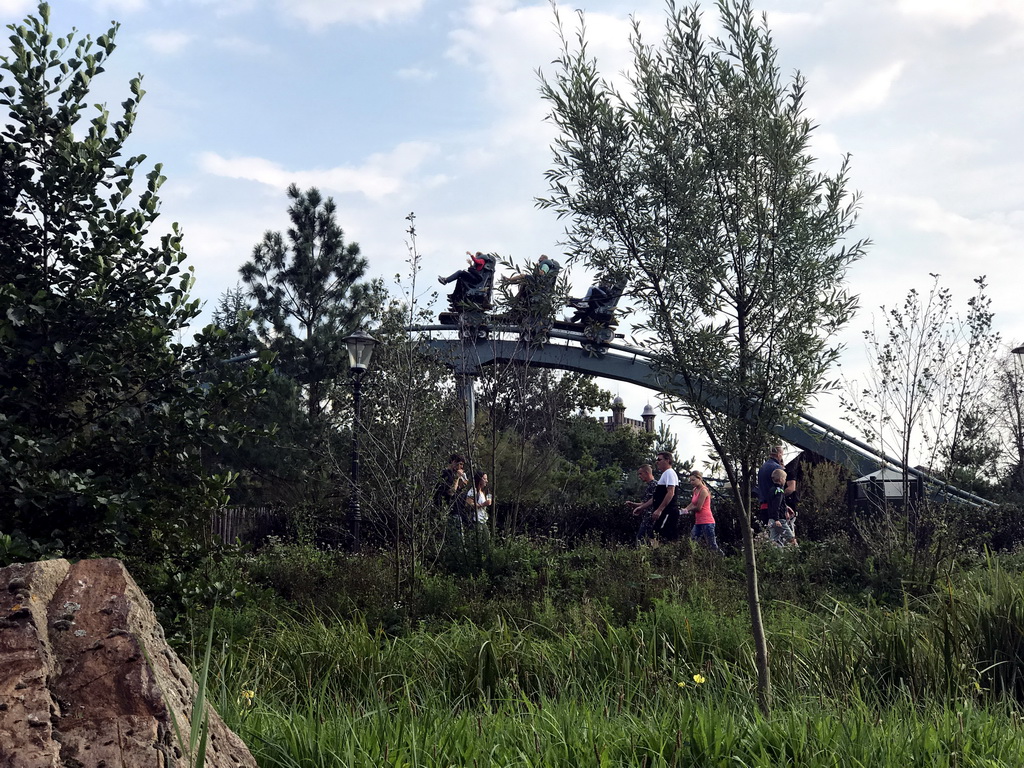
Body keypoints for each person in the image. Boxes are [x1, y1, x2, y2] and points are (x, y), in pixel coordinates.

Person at [683, 470, 721, 552]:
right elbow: (692, 503)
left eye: (693, 480)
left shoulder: (704, 490)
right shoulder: (695, 490)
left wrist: (688, 510)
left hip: (707, 521)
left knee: (712, 544)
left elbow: (698, 507)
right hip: (698, 521)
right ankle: (692, 558)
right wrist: (685, 509)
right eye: (690, 480)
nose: (691, 482)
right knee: (692, 540)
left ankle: (721, 558)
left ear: (699, 479)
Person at [756, 445, 794, 522]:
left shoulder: (762, 468)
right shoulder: (778, 469)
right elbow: (779, 492)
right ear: (779, 454)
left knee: (769, 531)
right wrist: (784, 509)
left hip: (763, 506)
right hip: (775, 509)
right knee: (784, 533)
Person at [651, 451, 681, 540]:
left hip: (668, 512)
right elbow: (658, 496)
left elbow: (671, 492)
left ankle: (658, 553)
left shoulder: (669, 473)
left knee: (658, 537)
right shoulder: (665, 474)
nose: (657, 462)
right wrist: (641, 506)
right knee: (655, 536)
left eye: (659, 459)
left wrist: (660, 510)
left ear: (667, 460)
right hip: (664, 512)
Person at [625, 463, 658, 546]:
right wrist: (634, 504)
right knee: (649, 541)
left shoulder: (654, 485)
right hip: (647, 518)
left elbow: (654, 500)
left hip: (651, 519)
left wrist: (641, 507)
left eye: (641, 473)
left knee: (641, 540)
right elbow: (645, 503)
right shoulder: (649, 486)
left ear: (647, 473)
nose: (639, 476)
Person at [765, 467, 798, 546]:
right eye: (784, 478)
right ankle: (798, 555)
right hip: (779, 520)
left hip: (771, 520)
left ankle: (777, 556)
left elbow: (771, 504)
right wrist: (777, 519)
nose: (785, 480)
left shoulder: (771, 490)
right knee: (792, 538)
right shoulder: (779, 491)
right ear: (780, 479)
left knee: (774, 541)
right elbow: (777, 505)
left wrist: (785, 508)